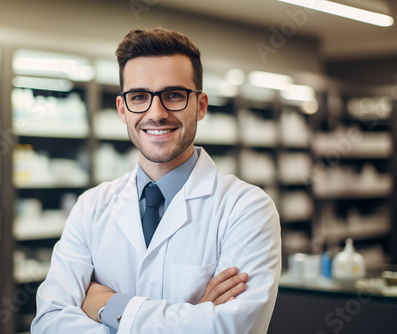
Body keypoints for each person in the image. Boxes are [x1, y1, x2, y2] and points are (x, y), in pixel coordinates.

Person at [31, 27, 281, 334]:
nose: (156, 113)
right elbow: (48, 323)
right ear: (123, 110)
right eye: (139, 97)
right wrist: (194, 316)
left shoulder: (247, 209)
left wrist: (108, 306)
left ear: (200, 106)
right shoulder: (91, 207)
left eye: (173, 95)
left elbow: (230, 328)